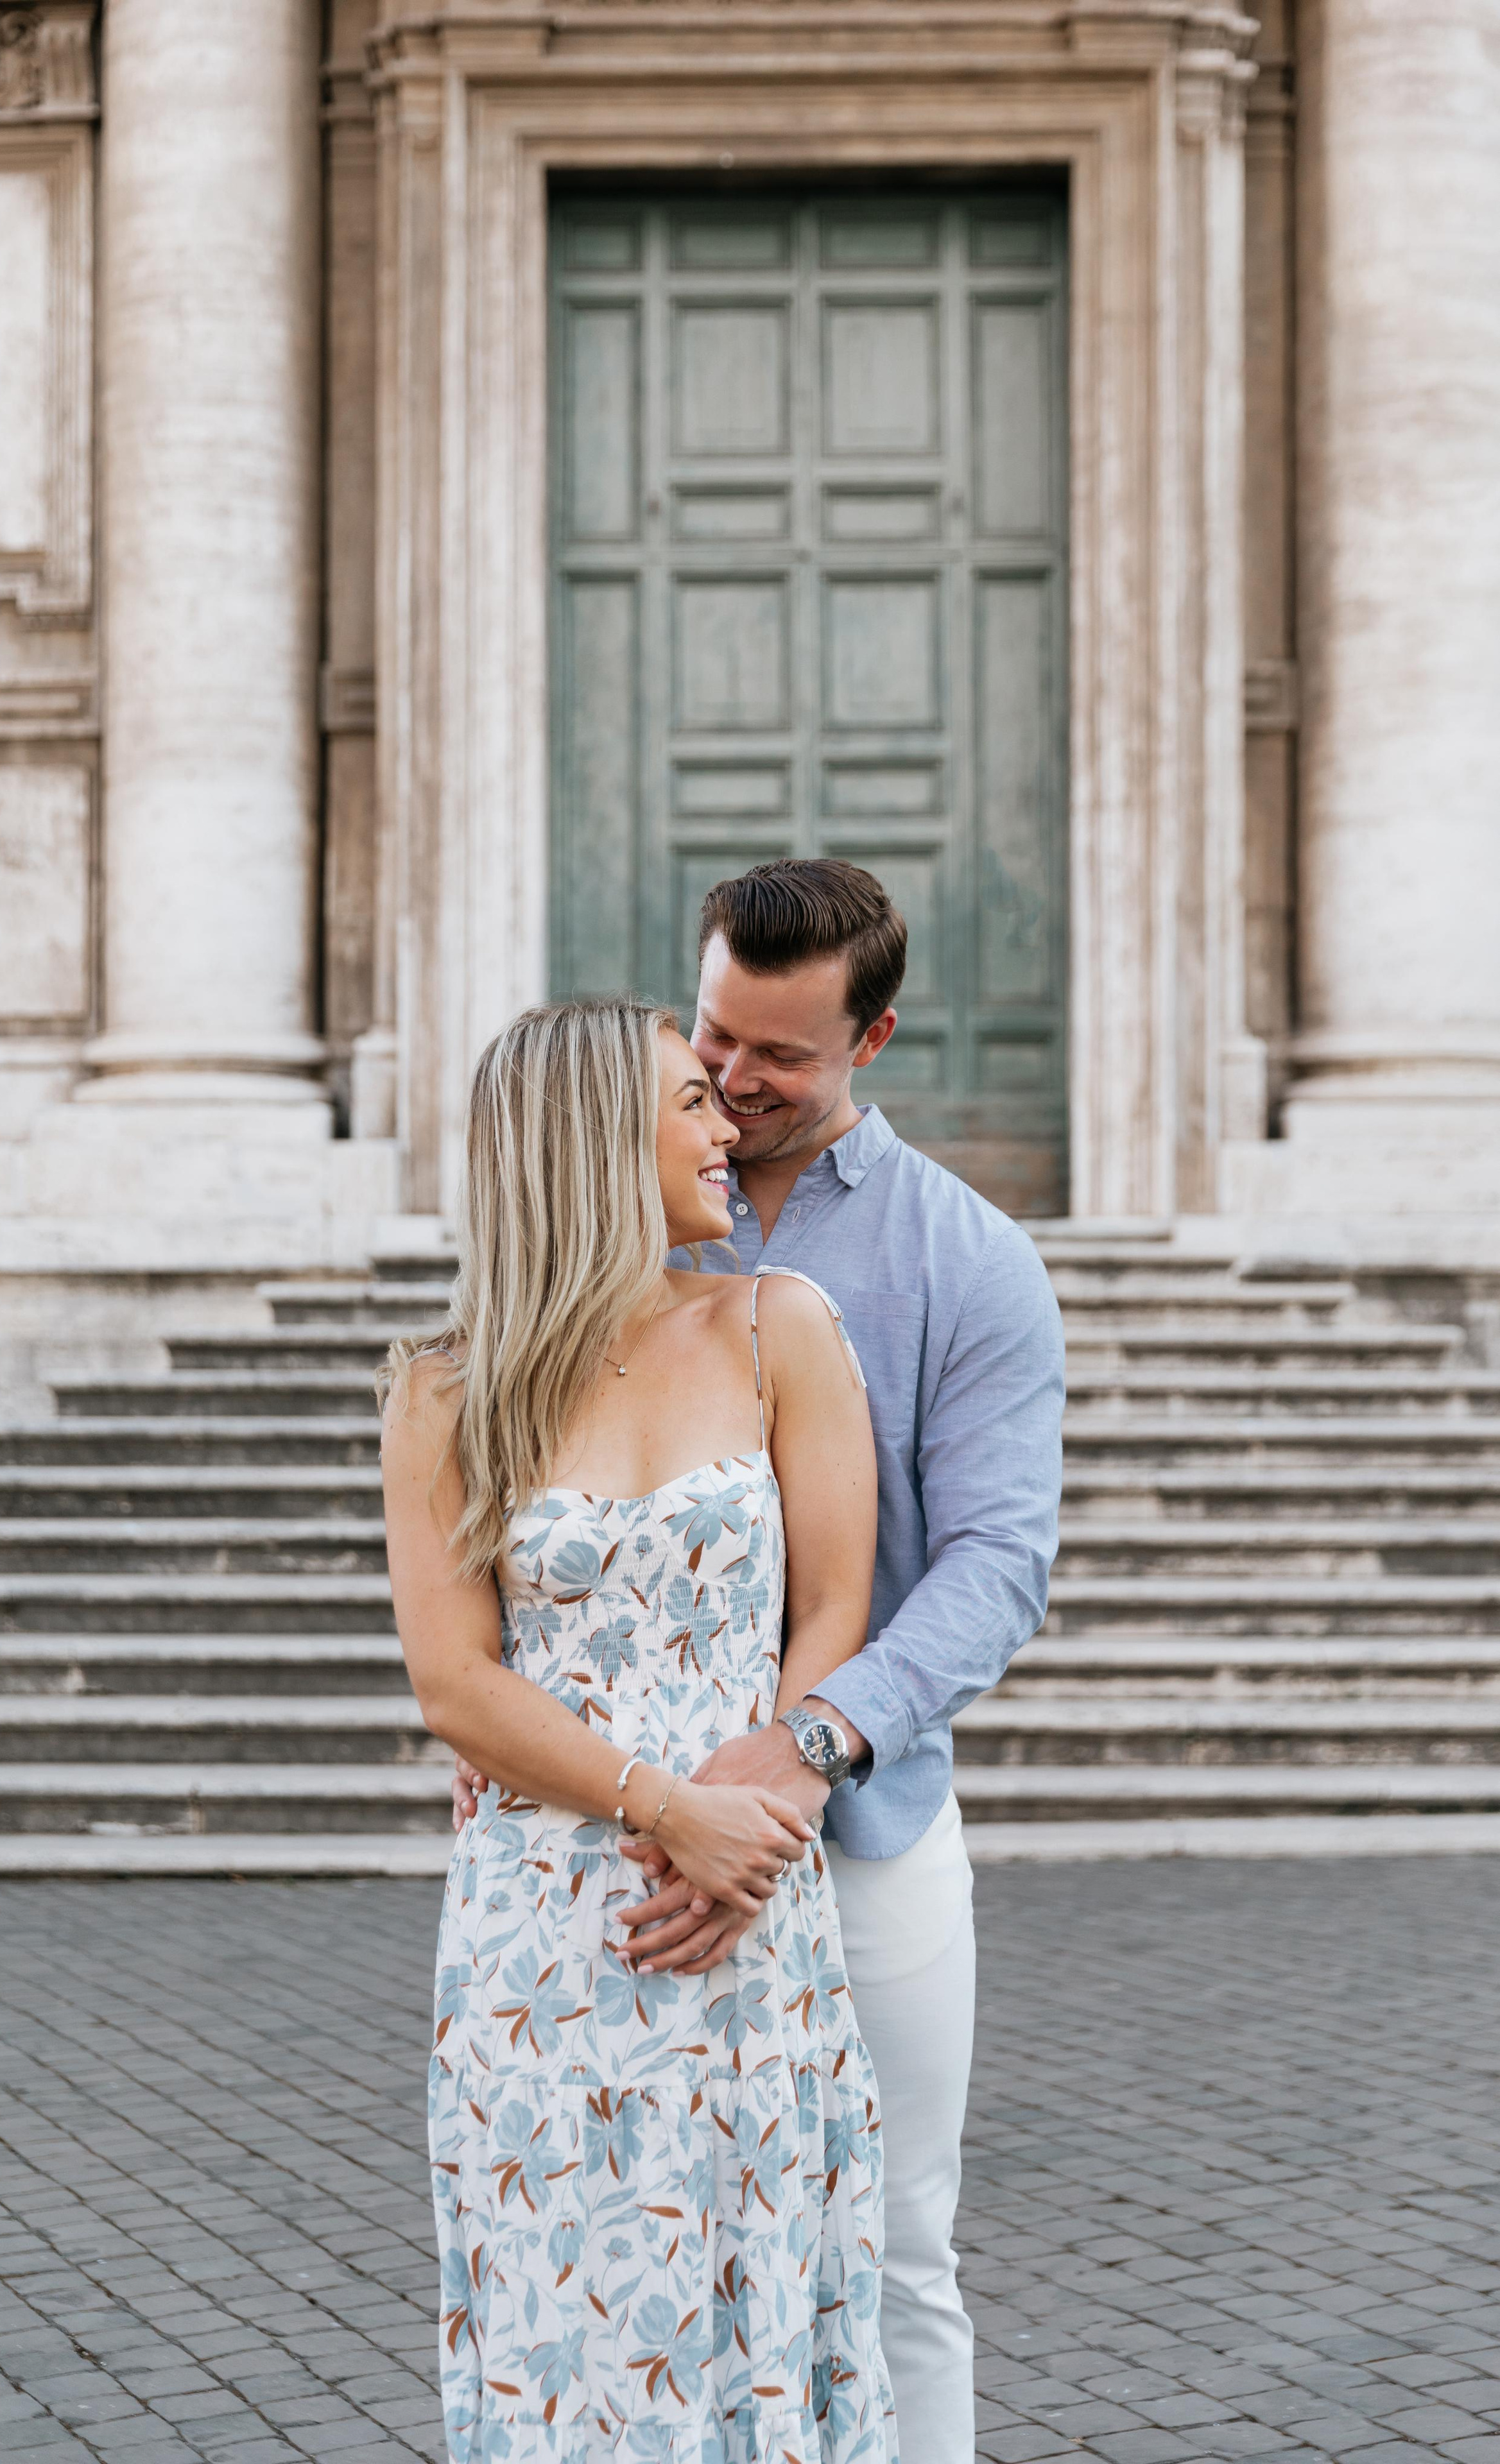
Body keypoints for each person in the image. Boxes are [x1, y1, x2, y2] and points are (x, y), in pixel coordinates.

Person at [455, 860, 1065, 2464]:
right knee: (621, 2242)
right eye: (713, 1038)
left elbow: (998, 1568)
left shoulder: (968, 1263)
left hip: (855, 1832)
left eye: (777, 1058)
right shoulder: (603, 1227)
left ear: (868, 1042)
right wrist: (523, 1702)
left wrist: (801, 1752)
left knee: (892, 2251)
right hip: (609, 1843)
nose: (730, 1085)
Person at [381, 995, 898, 2464]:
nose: (728, 1124)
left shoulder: (774, 1323)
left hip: (744, 1889)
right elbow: (456, 1685)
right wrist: (664, 1809)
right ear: (594, 1137)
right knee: (566, 2323)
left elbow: (838, 1598)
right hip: (547, 1926)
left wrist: (763, 1807)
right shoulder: (441, 1392)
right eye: (688, 1103)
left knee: (756, 2292)